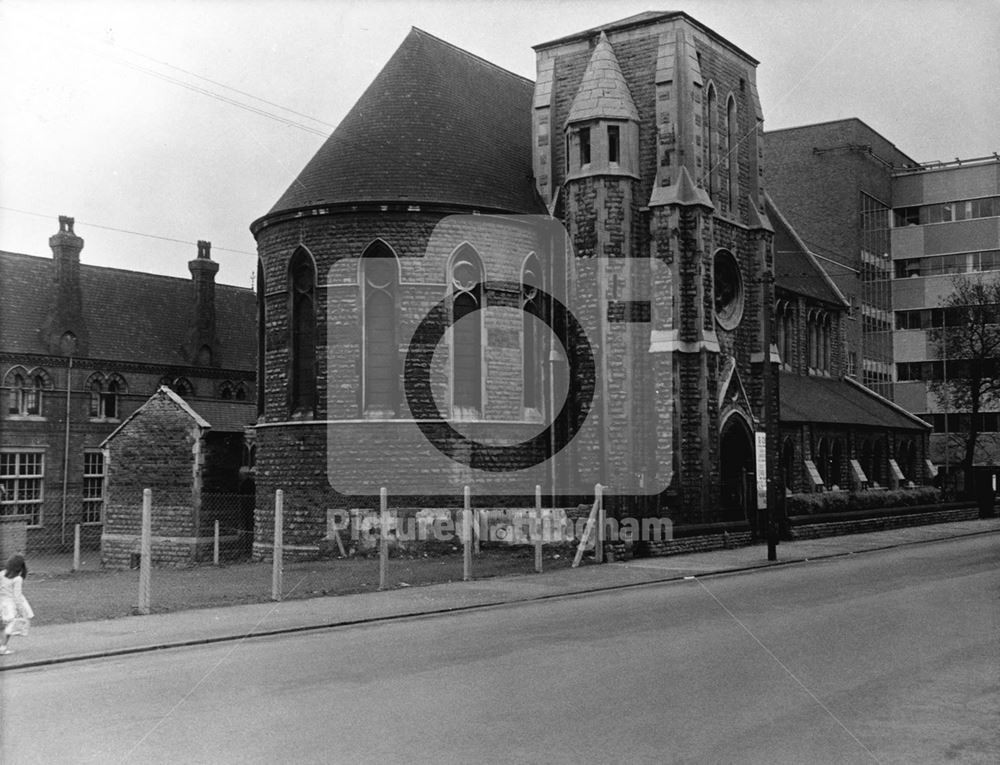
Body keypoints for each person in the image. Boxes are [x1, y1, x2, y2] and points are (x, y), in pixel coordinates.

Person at [0, 554, 33, 655]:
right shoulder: (17, 579)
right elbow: (17, 596)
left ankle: (2, 646)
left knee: (3, 625)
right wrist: (22, 611)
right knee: (10, 627)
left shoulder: (1, 574)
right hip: (10, 605)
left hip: (2, 602)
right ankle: (3, 647)